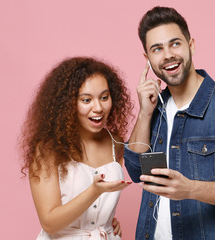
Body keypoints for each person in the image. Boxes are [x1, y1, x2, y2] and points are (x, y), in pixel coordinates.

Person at [124, 6, 215, 240]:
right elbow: (138, 173)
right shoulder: (154, 108)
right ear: (147, 59)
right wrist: (144, 113)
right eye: (157, 49)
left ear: (191, 45)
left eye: (175, 44)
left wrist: (189, 189)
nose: (168, 54)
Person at [20, 57, 133, 239]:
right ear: (67, 104)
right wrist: (94, 191)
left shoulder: (116, 143)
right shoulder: (48, 150)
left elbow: (100, 213)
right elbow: (49, 223)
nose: (98, 108)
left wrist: (105, 222)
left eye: (104, 97)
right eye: (86, 100)